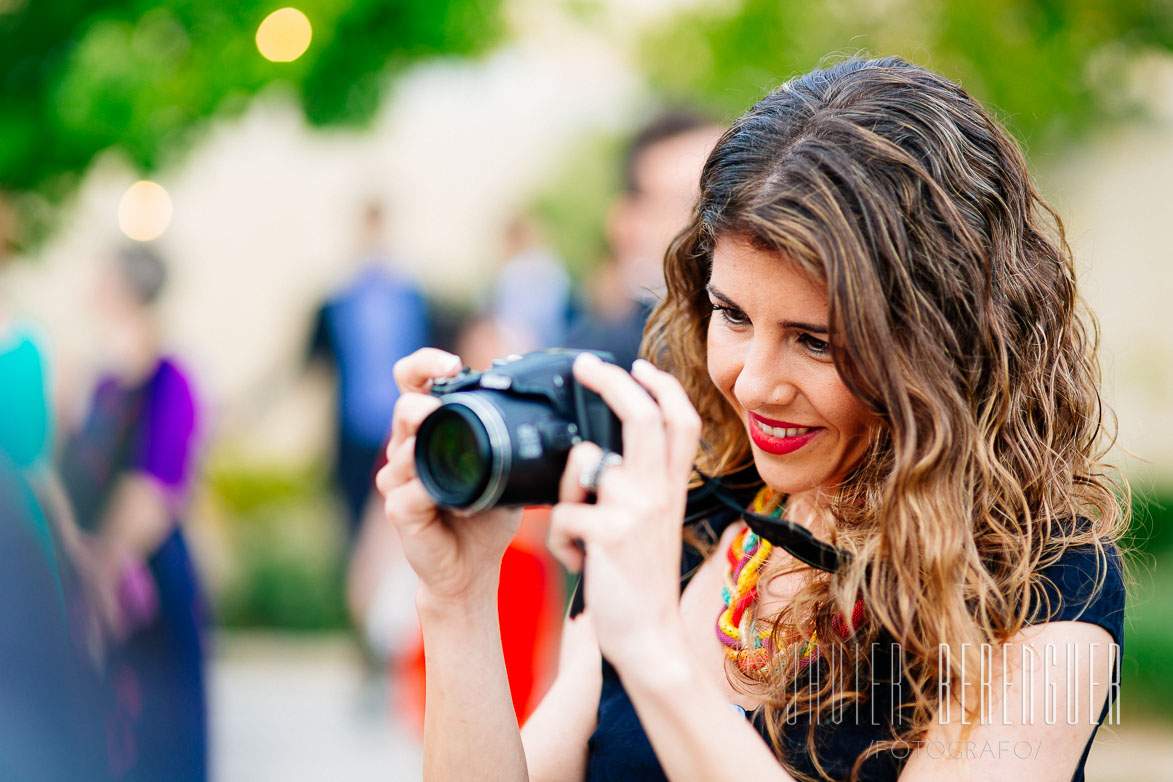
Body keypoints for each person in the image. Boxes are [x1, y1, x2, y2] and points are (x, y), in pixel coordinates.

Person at [376, 57, 1127, 782]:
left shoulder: (1044, 589)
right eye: (730, 315)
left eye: (816, 340)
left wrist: (655, 657)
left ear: (944, 341)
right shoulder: (691, 517)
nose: (754, 383)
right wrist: (456, 599)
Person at [59, 245, 207, 782]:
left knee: (161, 732)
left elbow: (158, 488)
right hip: (98, 572)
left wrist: (107, 562)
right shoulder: (98, 381)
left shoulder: (170, 376)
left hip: (148, 577)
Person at [308, 200, 430, 541]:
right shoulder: (339, 300)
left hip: (403, 430)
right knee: (355, 529)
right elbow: (312, 364)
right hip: (354, 433)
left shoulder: (414, 297)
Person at [566, 110, 723, 370]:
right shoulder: (594, 367)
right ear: (627, 226)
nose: (719, 218)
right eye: (689, 203)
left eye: (729, 192)